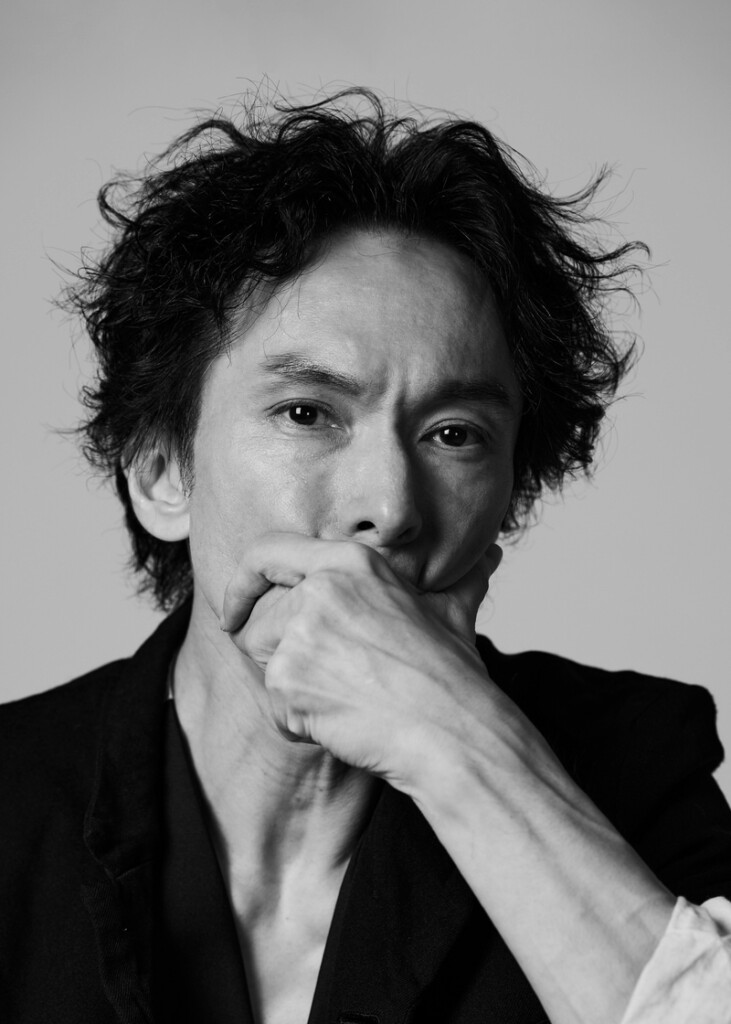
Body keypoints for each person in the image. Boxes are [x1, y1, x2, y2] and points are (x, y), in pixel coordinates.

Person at [1, 89, 730, 1024]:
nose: (387, 508)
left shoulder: (632, 767)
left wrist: (456, 741)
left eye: (454, 434)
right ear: (161, 472)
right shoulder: (12, 799)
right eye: (307, 413)